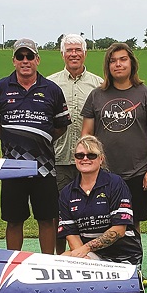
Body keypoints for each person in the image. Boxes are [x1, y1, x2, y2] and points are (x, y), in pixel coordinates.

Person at [81, 42, 147, 293]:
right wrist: (88, 167)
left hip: (137, 173)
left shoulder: (146, 95)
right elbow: (87, 136)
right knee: (102, 227)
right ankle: (98, 281)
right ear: (108, 66)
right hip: (104, 175)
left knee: (131, 225)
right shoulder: (97, 96)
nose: (118, 64)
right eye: (113, 60)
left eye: (123, 60)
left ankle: (133, 276)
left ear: (131, 64)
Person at [0, 38, 70, 254]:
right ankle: (14, 265)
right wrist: (10, 140)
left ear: (37, 60)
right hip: (12, 169)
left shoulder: (51, 89)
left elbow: (61, 126)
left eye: (30, 56)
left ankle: (47, 263)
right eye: (20, 57)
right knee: (14, 220)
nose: (25, 61)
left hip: (44, 168)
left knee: (47, 219)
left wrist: (40, 139)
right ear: (13, 60)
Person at [58, 135, 142, 293]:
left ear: (101, 158)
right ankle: (91, 289)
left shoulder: (115, 183)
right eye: (79, 155)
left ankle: (133, 277)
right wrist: (85, 261)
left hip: (122, 256)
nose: (85, 159)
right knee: (65, 258)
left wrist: (86, 249)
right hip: (95, 256)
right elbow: (71, 234)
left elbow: (119, 230)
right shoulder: (67, 192)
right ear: (75, 159)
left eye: (91, 155)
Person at [48, 34, 103, 254]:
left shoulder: (98, 84)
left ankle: (89, 256)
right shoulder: (51, 84)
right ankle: (60, 256)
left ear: (85, 53)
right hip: (60, 159)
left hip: (90, 161)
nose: (73, 54)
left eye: (78, 50)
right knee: (59, 212)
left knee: (90, 211)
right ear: (62, 54)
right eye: (69, 50)